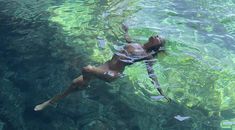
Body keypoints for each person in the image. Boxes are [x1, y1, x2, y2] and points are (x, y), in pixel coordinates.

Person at [34, 25, 170, 111]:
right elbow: (127, 37)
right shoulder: (135, 43)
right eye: (158, 35)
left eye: (159, 38)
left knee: (87, 69)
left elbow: (151, 73)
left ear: (157, 45)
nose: (157, 36)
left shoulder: (148, 56)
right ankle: (51, 102)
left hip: (113, 73)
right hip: (104, 66)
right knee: (75, 84)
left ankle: (86, 83)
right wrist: (125, 29)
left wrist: (160, 91)